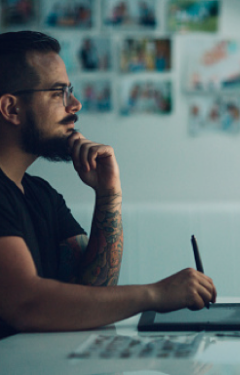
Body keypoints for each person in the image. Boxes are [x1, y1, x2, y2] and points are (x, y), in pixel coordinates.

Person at [0, 31, 217, 340]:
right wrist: (155, 295)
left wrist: (108, 194)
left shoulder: (41, 195)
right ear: (11, 109)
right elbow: (27, 304)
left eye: (70, 92)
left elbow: (92, 289)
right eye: (58, 92)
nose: (74, 105)